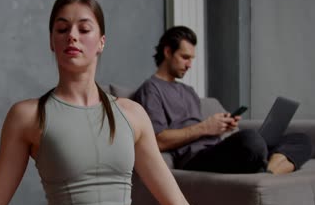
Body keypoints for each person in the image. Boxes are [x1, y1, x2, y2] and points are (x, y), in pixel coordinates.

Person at [0, 0, 211, 205]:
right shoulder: (27, 117)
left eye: (84, 29)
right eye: (62, 28)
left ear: (101, 42)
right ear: (51, 41)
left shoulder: (132, 115)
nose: (72, 36)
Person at [133, 25, 312, 174]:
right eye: (185, 57)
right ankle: (264, 165)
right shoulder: (151, 89)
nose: (189, 65)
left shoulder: (188, 91)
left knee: (302, 140)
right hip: (196, 159)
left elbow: (202, 131)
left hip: (217, 149)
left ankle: (267, 172)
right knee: (251, 140)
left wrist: (220, 127)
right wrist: (205, 127)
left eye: (192, 59)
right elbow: (158, 140)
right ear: (167, 52)